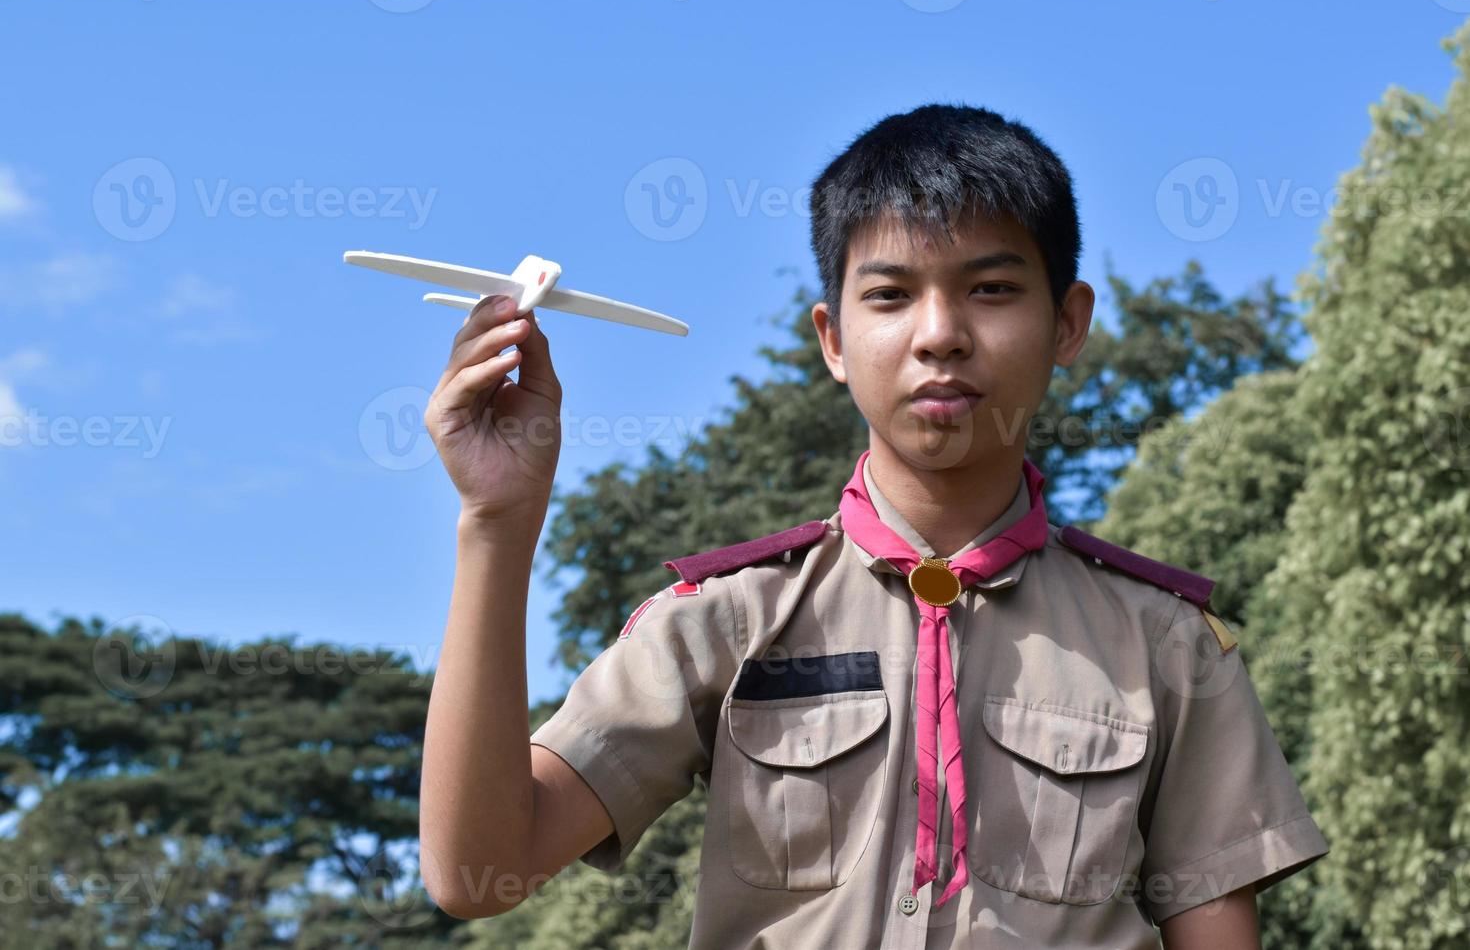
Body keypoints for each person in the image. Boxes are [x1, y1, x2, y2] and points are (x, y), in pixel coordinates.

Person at [417, 103, 1329, 948]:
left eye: (993, 289)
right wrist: (497, 522)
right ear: (833, 339)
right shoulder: (730, 622)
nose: (940, 334)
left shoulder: (1166, 646)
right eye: (890, 295)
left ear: (1068, 322)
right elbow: (476, 873)